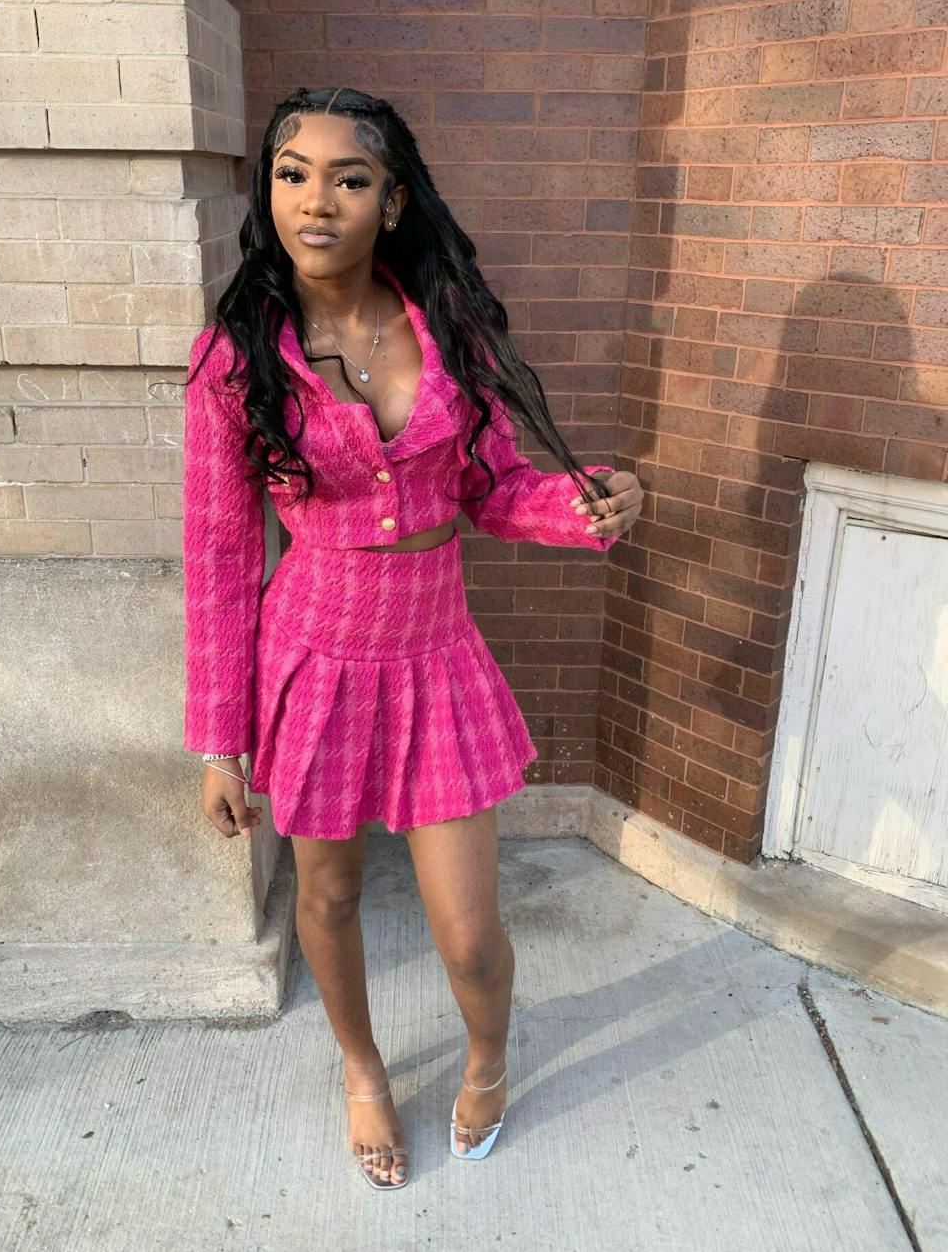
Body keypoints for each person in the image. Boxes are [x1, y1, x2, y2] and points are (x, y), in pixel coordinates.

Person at [181, 86, 644, 1190]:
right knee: (328, 896)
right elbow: (219, 557)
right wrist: (219, 739)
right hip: (313, 658)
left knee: (470, 933)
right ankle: (362, 1071)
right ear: (268, 194)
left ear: (391, 201)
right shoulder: (235, 360)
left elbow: (491, 487)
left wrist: (579, 505)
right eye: (292, 175)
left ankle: (487, 1059)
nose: (317, 201)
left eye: (349, 178)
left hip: (437, 655)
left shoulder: (446, 327)